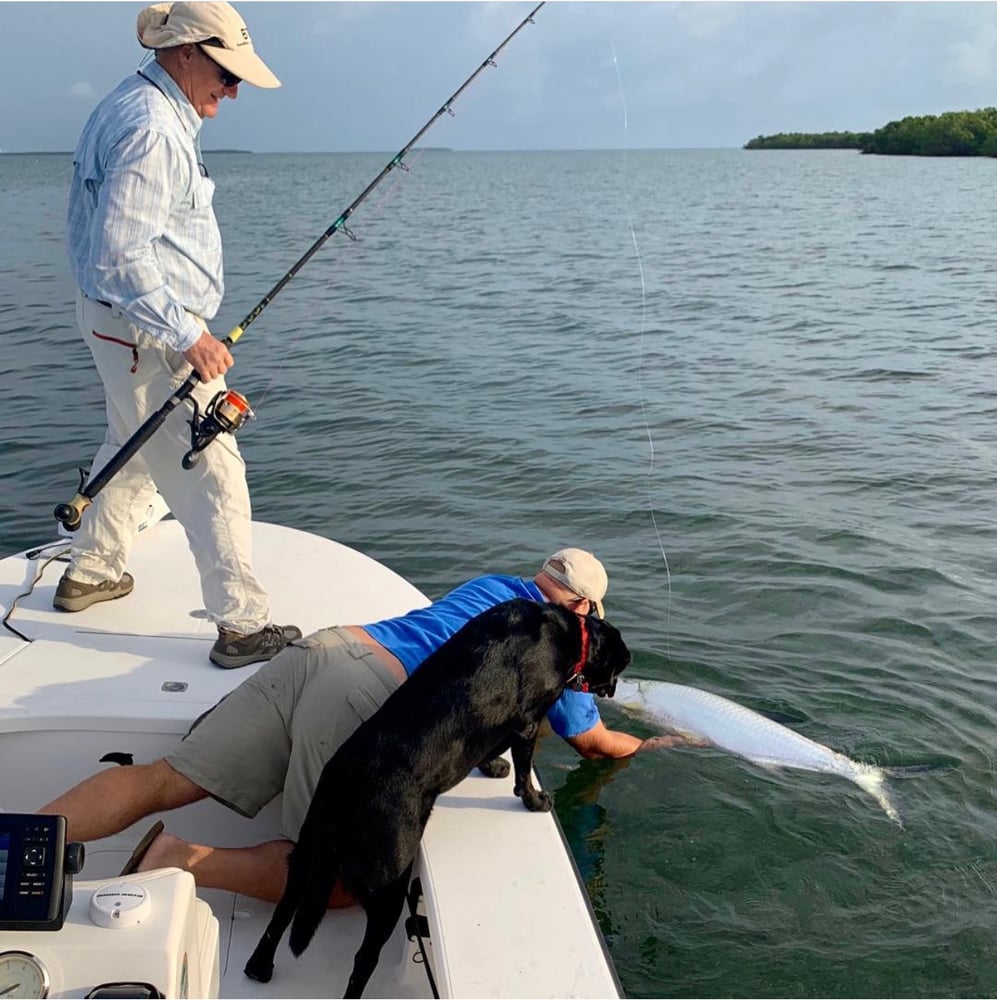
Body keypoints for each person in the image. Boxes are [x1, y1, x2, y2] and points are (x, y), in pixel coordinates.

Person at [39, 548, 698, 905]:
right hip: (369, 697)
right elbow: (595, 743)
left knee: (162, 780)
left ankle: (16, 847)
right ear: (582, 608)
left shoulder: (491, 585)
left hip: (327, 649)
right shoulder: (561, 639)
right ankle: (177, 860)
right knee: (343, 882)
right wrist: (659, 743)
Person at [56, 1, 299, 669]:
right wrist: (189, 333)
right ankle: (241, 627)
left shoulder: (130, 102)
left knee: (134, 444)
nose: (235, 87)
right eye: (226, 71)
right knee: (213, 467)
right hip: (148, 333)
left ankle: (93, 571)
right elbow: (119, 254)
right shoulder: (153, 130)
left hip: (116, 326)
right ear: (186, 52)